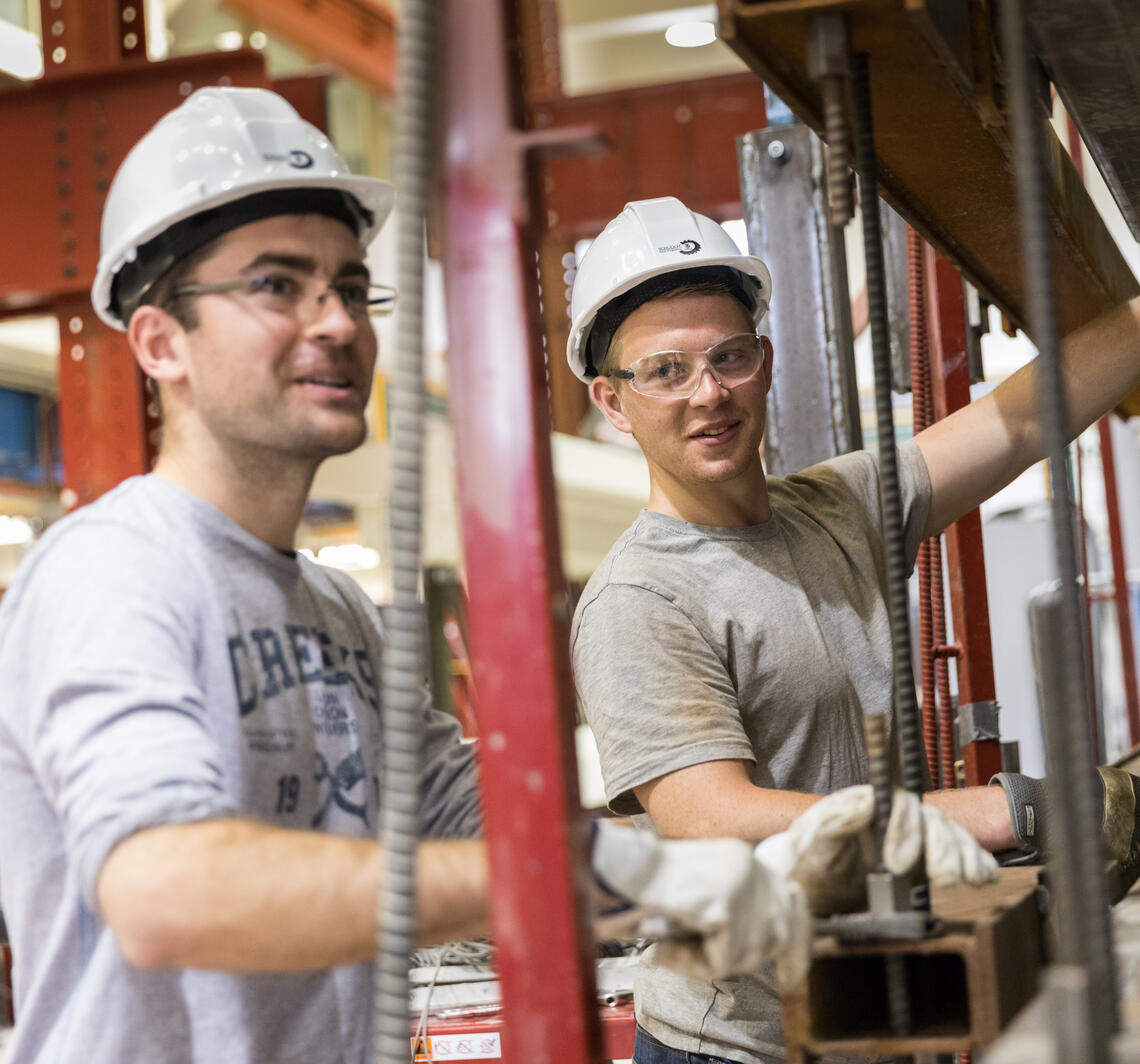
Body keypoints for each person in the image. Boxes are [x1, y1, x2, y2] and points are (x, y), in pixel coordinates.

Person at [0, 91, 997, 1064]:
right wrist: (622, 867)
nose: (337, 321)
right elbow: (167, 892)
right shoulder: (114, 575)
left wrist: (748, 853)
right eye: (276, 284)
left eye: (349, 286)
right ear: (159, 341)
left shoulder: (337, 611)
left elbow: (477, 816)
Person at [567, 196, 1140, 1064]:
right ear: (613, 401)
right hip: (737, 1041)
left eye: (729, 357)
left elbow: (1023, 420)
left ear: (765, 361)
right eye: (666, 370)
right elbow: (709, 818)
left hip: (873, 1004)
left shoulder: (838, 507)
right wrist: (1001, 811)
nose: (708, 393)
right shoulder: (641, 597)